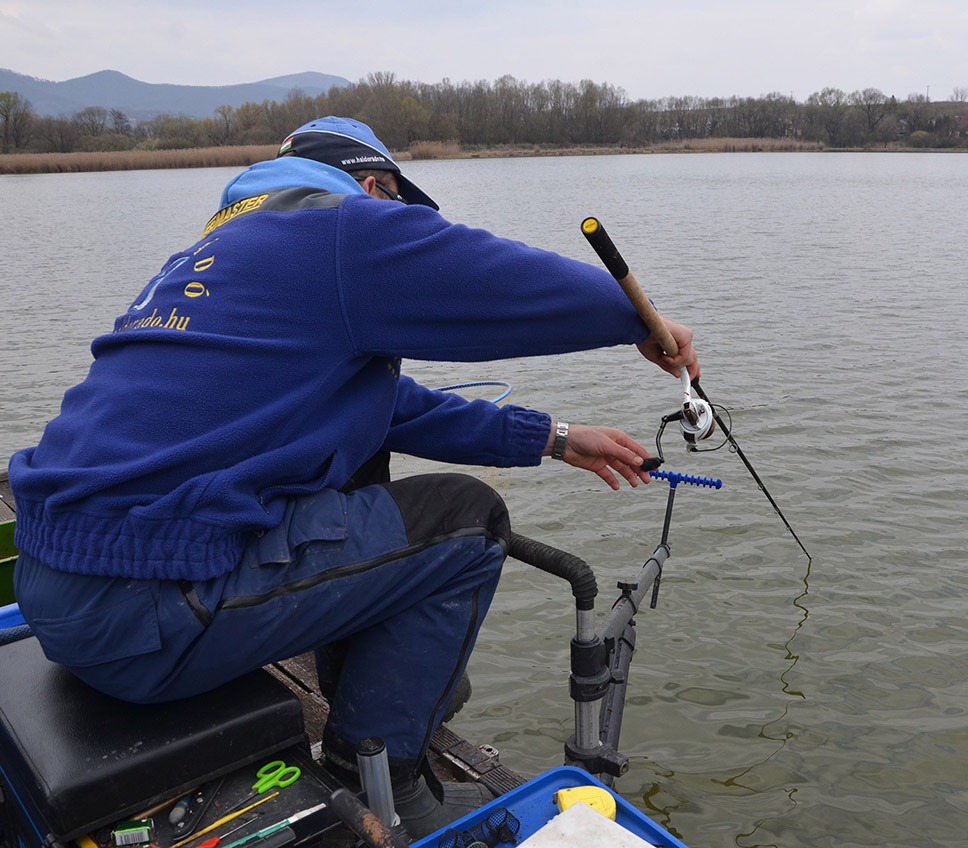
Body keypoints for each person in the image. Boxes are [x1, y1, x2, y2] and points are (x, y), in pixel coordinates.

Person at [7, 116, 698, 836]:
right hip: (138, 614)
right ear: (374, 188)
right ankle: (378, 774)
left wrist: (552, 437)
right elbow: (483, 277)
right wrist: (637, 320)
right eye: (396, 211)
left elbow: (378, 407)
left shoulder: (216, 252)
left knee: (362, 462)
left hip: (56, 587)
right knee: (468, 521)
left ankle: (368, 701)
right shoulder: (333, 227)